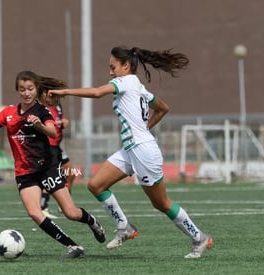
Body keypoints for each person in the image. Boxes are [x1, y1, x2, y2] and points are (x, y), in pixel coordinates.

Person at [49, 46, 213, 259]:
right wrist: (145, 129)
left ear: (126, 66)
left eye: (113, 67)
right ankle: (124, 226)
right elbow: (163, 108)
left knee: (161, 203)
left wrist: (65, 92)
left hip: (143, 151)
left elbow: (98, 93)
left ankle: (199, 238)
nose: (110, 72)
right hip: (130, 149)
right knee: (96, 185)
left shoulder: (125, 81)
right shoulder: (139, 87)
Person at [0, 70, 105, 259]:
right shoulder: (8, 113)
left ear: (36, 89)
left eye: (30, 89)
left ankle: (92, 222)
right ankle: (73, 247)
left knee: (71, 213)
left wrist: (39, 125)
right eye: (22, 89)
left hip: (47, 169)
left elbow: (52, 132)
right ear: (17, 90)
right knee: (35, 213)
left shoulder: (42, 111)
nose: (26, 93)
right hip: (25, 174)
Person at [39, 90, 77, 218]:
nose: (50, 96)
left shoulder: (58, 107)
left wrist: (63, 123)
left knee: (71, 173)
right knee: (51, 177)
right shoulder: (40, 108)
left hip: (57, 147)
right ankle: (43, 206)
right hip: (48, 148)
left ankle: (64, 204)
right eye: (46, 93)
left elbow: (57, 123)